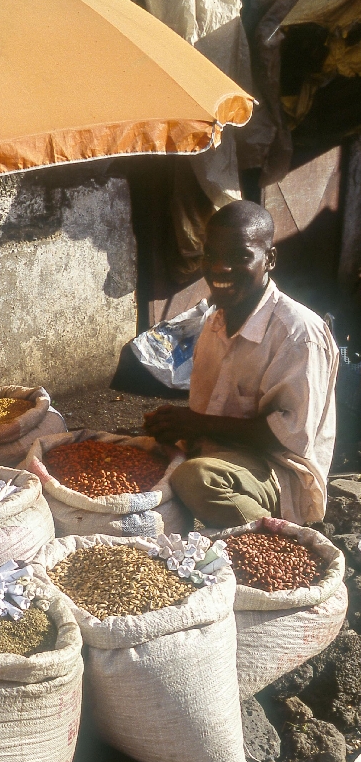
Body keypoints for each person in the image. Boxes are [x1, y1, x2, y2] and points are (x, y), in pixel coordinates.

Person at [144, 200, 339, 528]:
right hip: (217, 454)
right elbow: (206, 417)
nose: (220, 268)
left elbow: (289, 438)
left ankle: (281, 547)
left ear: (269, 260)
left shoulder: (298, 333)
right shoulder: (214, 321)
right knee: (144, 451)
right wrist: (177, 426)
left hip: (277, 473)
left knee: (195, 479)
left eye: (239, 256)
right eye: (211, 255)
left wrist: (195, 423)